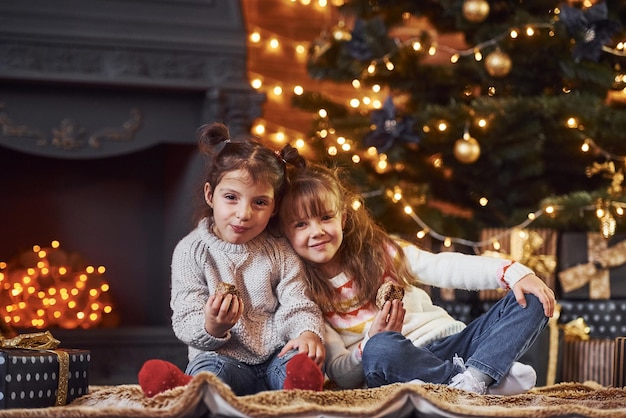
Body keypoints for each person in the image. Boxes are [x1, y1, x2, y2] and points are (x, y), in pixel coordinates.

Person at [278, 156, 556, 396]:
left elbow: (445, 267)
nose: (317, 231)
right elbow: (342, 375)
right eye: (301, 224)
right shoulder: (306, 295)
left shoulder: (380, 251)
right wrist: (368, 343)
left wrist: (510, 272)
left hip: (452, 344)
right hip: (395, 363)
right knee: (381, 348)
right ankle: (483, 378)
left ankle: (473, 379)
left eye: (326, 217)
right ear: (285, 233)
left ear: (344, 218)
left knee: (532, 298)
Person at [137, 123, 325, 397]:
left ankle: (298, 388)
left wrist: (307, 333)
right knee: (209, 369)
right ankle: (189, 391)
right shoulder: (191, 251)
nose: (243, 214)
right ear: (210, 195)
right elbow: (186, 318)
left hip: (274, 356)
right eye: (231, 198)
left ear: (274, 207)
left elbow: (297, 302)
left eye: (259, 203)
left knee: (298, 363)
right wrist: (213, 326)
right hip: (224, 359)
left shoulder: (279, 250)